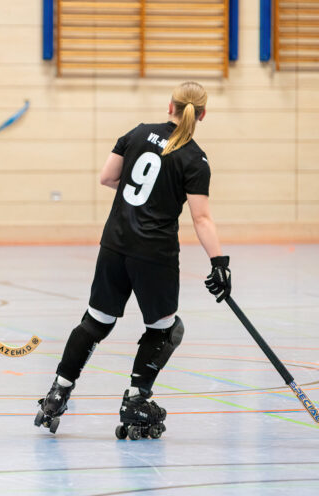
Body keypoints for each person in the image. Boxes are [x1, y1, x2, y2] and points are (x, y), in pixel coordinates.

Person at [34, 81, 231, 439]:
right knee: (165, 329)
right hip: (154, 253)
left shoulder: (138, 133)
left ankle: (57, 393)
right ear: (202, 114)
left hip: (115, 244)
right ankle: (137, 400)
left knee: (96, 321)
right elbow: (201, 218)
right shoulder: (195, 158)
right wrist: (219, 263)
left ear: (169, 106)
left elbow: (108, 177)